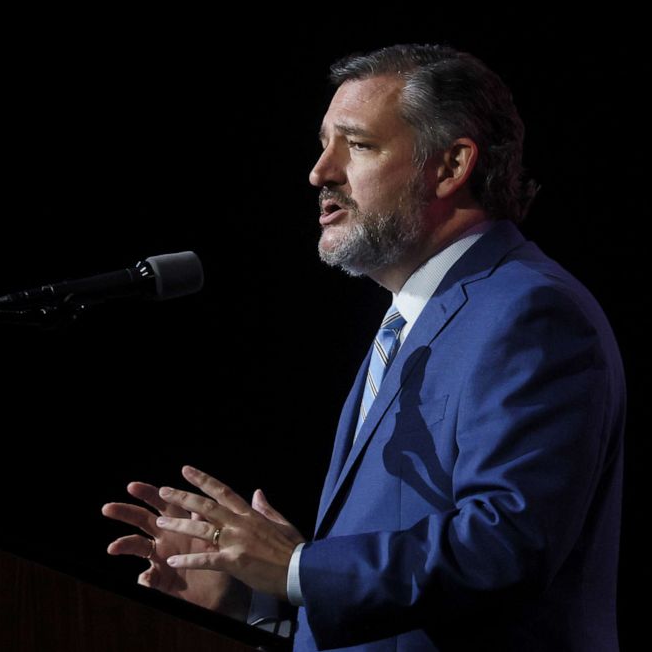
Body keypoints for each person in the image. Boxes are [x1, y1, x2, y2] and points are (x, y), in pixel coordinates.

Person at [101, 43, 625, 651]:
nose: (320, 172)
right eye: (322, 144)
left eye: (358, 144)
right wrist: (260, 595)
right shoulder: (411, 319)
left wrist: (299, 569)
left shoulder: (529, 312)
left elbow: (506, 544)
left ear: (450, 167)